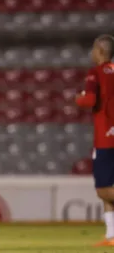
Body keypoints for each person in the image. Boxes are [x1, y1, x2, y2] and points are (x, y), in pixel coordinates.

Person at [76, 34, 114, 247]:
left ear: (99, 51)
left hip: (105, 138)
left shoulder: (96, 73)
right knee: (109, 190)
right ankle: (111, 235)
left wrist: (78, 98)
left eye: (93, 49)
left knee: (103, 189)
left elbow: (90, 99)